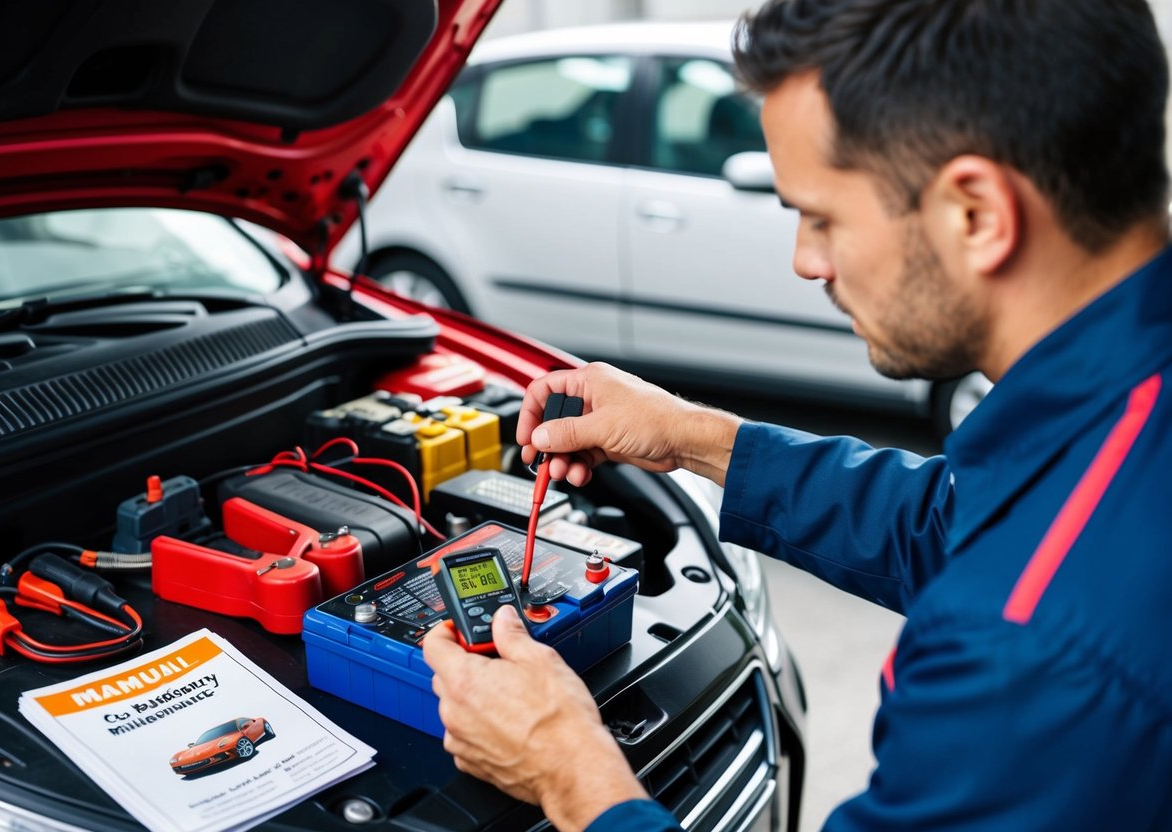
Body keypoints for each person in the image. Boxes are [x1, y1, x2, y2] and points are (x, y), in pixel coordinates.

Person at [423, 0, 1172, 828]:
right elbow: (960, 522)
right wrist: (691, 436)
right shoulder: (1119, 412)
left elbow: (1026, 577)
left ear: (977, 214)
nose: (805, 261)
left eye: (820, 217)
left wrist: (567, 768)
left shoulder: (1029, 657)